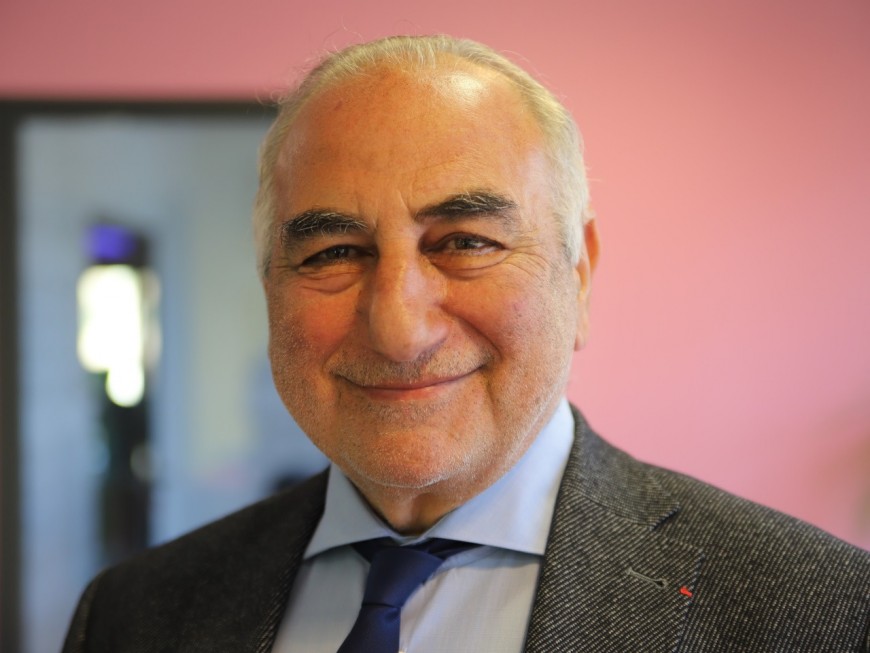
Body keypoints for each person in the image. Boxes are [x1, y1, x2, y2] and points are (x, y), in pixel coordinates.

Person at [63, 35, 869, 652]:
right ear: (271, 284)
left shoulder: (824, 615)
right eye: (334, 252)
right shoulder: (133, 615)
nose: (399, 329)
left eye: (466, 242)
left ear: (579, 274)